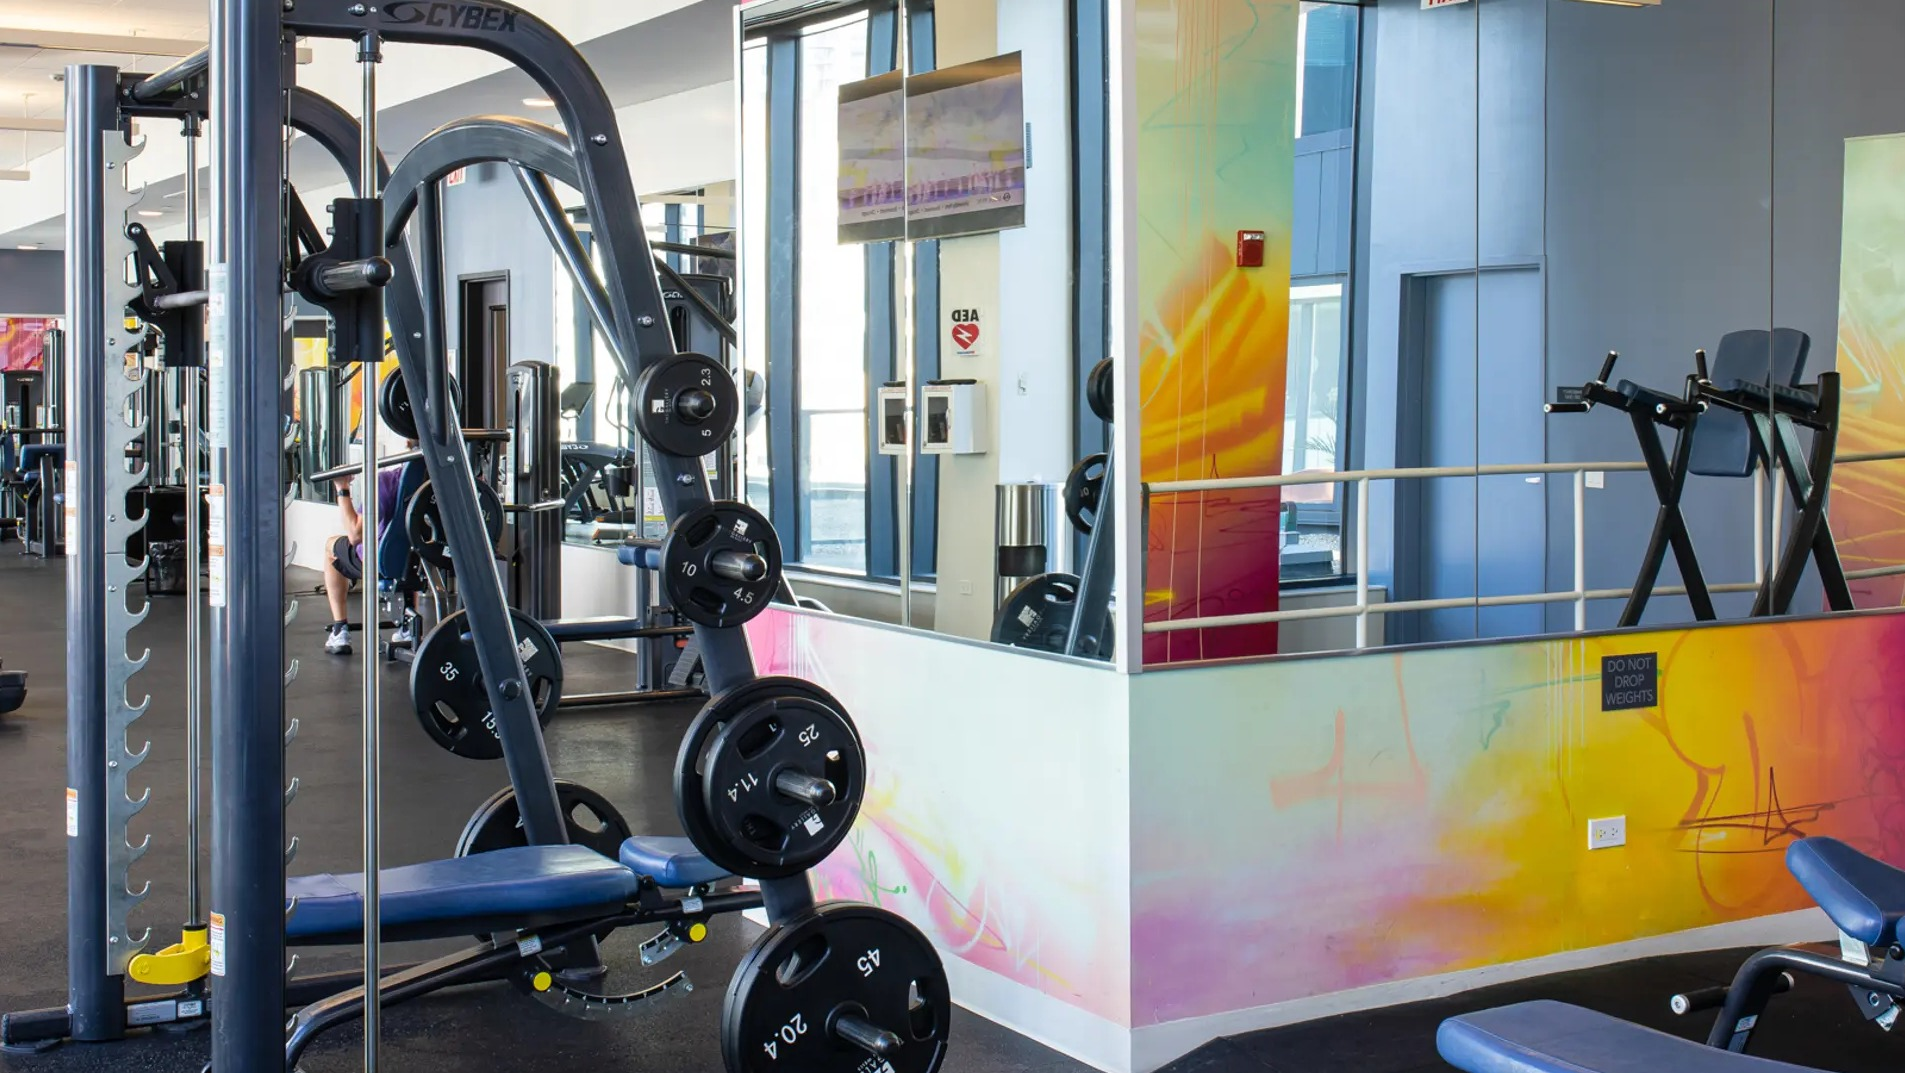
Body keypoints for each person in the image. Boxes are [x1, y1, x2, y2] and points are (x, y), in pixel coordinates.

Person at [322, 457, 411, 656]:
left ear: (406, 440)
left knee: (331, 547)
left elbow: (355, 535)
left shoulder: (386, 481)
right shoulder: (442, 481)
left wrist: (342, 487)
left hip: (380, 561)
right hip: (419, 561)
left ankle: (340, 630)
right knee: (408, 552)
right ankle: (406, 627)